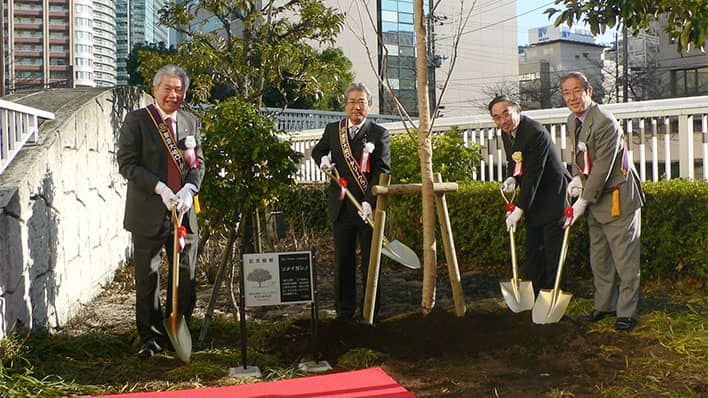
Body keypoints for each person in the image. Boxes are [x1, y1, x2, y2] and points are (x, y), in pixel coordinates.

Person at [117, 64, 205, 357]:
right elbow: (127, 164)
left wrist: (188, 189)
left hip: (183, 215)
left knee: (186, 279)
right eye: (167, 88)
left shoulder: (190, 122)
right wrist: (161, 188)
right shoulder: (138, 120)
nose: (173, 94)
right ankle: (150, 339)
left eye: (179, 89)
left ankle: (177, 332)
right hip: (148, 212)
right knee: (148, 279)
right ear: (155, 89)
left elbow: (198, 164)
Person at [560, 71, 644, 332]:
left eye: (577, 91)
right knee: (599, 257)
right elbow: (582, 158)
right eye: (566, 93)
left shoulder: (605, 121)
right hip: (595, 197)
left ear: (589, 91)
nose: (572, 97)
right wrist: (576, 178)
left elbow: (603, 168)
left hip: (617, 196)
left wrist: (582, 201)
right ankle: (604, 305)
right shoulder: (572, 120)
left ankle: (627, 313)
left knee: (624, 258)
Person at [311, 82, 391, 320]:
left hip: (368, 209)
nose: (357, 107)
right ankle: (344, 313)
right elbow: (318, 151)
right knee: (343, 263)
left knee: (370, 264)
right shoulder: (333, 129)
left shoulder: (379, 133)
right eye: (352, 102)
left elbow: (383, 169)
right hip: (342, 207)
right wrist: (324, 161)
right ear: (345, 104)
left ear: (370, 105)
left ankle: (370, 311)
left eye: (362, 102)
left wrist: (370, 201)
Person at [488, 95, 571, 296]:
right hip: (533, 196)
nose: (502, 121)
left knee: (553, 249)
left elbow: (534, 173)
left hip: (553, 193)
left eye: (506, 114)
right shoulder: (507, 133)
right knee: (534, 248)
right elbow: (515, 161)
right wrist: (512, 179)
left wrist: (519, 209)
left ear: (517, 110)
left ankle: (554, 292)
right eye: (497, 117)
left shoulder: (535, 132)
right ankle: (534, 292)